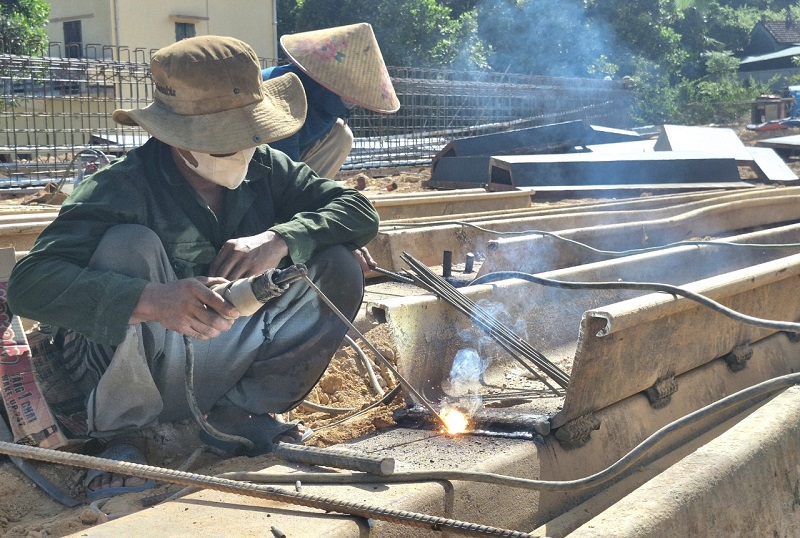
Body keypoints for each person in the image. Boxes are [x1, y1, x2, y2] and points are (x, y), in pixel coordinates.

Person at [6, 35, 379, 501]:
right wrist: (152, 301)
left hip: (220, 361)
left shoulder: (268, 167)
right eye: (223, 140)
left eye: (247, 134)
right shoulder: (120, 186)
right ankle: (124, 436)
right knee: (129, 245)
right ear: (175, 136)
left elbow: (359, 211)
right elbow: (29, 285)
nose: (242, 149)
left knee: (336, 262)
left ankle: (237, 416)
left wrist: (280, 239)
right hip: (131, 365)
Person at [262, 22, 400, 179]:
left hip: (279, 159)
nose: (352, 102)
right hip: (247, 168)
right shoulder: (283, 90)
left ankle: (305, 198)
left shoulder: (319, 96)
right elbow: (282, 161)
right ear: (332, 81)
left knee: (341, 134)